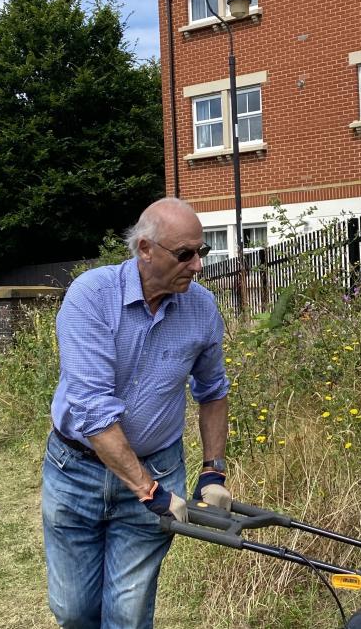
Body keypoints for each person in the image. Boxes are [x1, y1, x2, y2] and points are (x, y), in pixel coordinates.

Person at [42, 197, 232, 629]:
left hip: (158, 465)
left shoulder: (202, 308)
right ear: (145, 249)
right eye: (184, 254)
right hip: (76, 472)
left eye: (201, 252)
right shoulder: (92, 295)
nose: (198, 265)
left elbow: (213, 391)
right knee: (74, 611)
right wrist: (150, 492)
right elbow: (92, 409)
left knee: (127, 615)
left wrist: (213, 471)